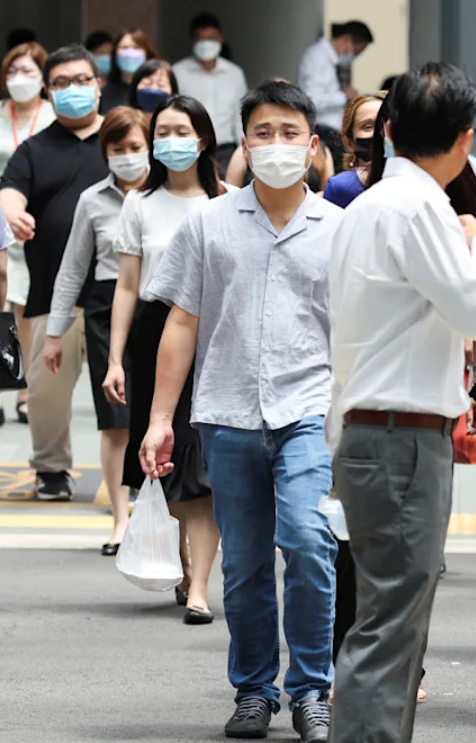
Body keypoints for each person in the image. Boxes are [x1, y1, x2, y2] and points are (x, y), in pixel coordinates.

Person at [137, 81, 340, 742]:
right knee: (245, 563)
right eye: (264, 132)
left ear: (312, 146)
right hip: (227, 412)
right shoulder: (209, 223)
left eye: (290, 133)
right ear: (244, 144)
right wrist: (161, 418)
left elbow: (354, 331)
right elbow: (182, 322)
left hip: (309, 411)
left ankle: (311, 688)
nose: (277, 144)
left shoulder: (339, 229)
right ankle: (254, 689)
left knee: (308, 543)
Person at [328, 62, 476, 743]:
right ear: (465, 139)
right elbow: (474, 308)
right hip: (401, 434)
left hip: (374, 427)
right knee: (392, 624)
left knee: (391, 619)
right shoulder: (420, 207)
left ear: (390, 130)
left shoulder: (366, 207)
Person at [104, 95, 223, 624]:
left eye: (181, 131)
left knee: (202, 466)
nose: (170, 142)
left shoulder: (226, 201)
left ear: (203, 139)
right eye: (163, 133)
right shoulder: (139, 203)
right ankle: (183, 566)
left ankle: (200, 586)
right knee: (163, 461)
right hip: (154, 335)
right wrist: (114, 358)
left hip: (213, 336)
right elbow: (127, 285)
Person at [0, 44, 108, 499]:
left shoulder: (122, 139)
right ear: (48, 90)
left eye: (81, 80)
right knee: (46, 392)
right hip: (51, 292)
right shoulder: (34, 149)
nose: (72, 89)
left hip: (117, 293)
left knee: (126, 390)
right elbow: (9, 191)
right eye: (61, 83)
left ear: (98, 85)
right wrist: (13, 213)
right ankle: (50, 469)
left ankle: (136, 471)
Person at [45, 106, 148, 553]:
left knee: (163, 417)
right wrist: (54, 333)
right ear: (105, 152)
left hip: (162, 306)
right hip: (106, 309)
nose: (127, 155)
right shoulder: (92, 199)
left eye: (136, 146)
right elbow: (72, 269)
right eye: (117, 148)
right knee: (116, 422)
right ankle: (120, 521)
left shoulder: (169, 192)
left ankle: (167, 516)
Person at [0, 41, 54, 426]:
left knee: (25, 307)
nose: (19, 79)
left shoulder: (53, 117)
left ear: (43, 78)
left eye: (28, 72)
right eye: (12, 71)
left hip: (35, 220)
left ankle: (22, 389)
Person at [173, 14, 248, 169]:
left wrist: (245, 150)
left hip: (226, 150)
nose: (206, 44)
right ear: (192, 41)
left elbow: (240, 115)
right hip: (191, 148)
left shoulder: (234, 73)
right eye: (201, 39)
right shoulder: (178, 72)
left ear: (220, 39)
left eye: (211, 38)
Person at [298, 21, 373, 131]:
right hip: (322, 130)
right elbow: (312, 101)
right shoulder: (318, 58)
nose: (352, 57)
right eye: (355, 53)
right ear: (346, 40)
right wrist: (344, 96)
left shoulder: (330, 61)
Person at [321, 92, 382, 208]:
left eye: (384, 123)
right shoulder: (340, 188)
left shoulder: (412, 180)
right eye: (368, 127)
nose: (379, 133)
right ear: (349, 143)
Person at [100, 30, 157, 113]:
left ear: (146, 53)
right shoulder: (104, 92)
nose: (129, 52)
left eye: (136, 47)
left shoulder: (155, 89)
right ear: (115, 54)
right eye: (124, 47)